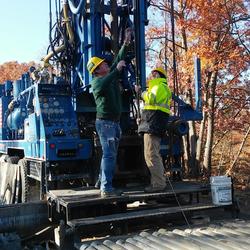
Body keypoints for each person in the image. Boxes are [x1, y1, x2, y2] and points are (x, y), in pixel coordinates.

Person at [87, 28, 132, 198]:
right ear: (97, 70)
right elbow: (113, 73)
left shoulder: (108, 75)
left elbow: (118, 60)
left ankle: (101, 181)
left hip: (114, 123)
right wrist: (117, 70)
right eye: (103, 64)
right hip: (105, 124)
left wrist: (126, 44)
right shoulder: (97, 83)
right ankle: (106, 188)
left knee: (109, 155)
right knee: (109, 155)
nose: (107, 64)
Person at [137, 67, 172, 192]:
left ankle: (158, 184)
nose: (150, 77)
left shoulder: (159, 86)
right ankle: (157, 182)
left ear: (157, 75)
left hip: (153, 125)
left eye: (152, 74)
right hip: (153, 124)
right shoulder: (161, 87)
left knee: (151, 155)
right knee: (153, 155)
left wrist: (140, 92)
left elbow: (151, 99)